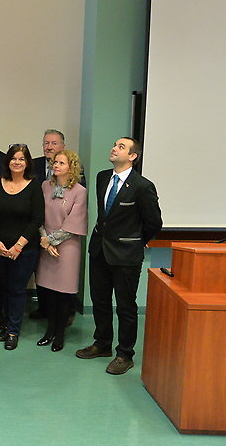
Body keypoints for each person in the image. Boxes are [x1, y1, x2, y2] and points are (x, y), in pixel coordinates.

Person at [76, 138, 161, 375]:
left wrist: (136, 241)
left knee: (125, 306)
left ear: (133, 156)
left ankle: (125, 354)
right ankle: (102, 344)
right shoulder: (103, 177)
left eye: (121, 147)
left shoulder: (142, 186)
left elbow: (154, 222)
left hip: (126, 255)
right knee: (100, 301)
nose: (114, 148)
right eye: (115, 145)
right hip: (99, 250)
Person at [0, 144, 45, 350]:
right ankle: (7, 324)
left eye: (21, 159)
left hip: (25, 250)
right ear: (8, 161)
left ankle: (13, 331)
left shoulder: (34, 186)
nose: (17, 162)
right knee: (2, 288)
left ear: (27, 163)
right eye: (13, 158)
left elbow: (36, 219)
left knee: (17, 290)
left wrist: (18, 246)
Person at [36, 150, 87, 352]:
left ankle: (59, 334)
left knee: (64, 293)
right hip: (45, 246)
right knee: (48, 292)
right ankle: (49, 331)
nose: (56, 165)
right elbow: (38, 215)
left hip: (67, 247)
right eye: (55, 162)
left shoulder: (79, 191)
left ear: (71, 167)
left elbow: (74, 222)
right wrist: (45, 240)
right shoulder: (45, 186)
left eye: (61, 163)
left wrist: (51, 240)